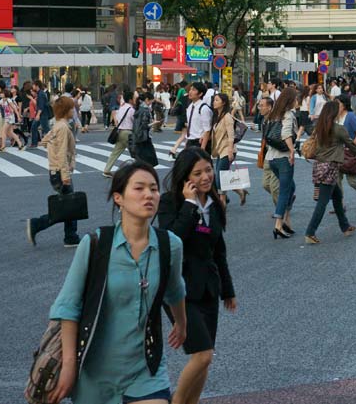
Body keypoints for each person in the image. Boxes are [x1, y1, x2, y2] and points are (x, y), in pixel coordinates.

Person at [47, 162, 187, 404]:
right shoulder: (96, 245)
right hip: (94, 371)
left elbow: (175, 290)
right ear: (118, 198)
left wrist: (182, 324)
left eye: (154, 189)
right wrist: (69, 365)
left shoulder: (170, 245)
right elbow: (68, 307)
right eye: (139, 188)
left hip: (145, 369)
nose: (149, 195)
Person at [158, 149, 236, 404]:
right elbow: (172, 240)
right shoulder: (170, 202)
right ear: (185, 177)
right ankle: (177, 401)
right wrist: (190, 205)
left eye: (208, 170)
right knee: (203, 355)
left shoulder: (215, 204)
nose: (206, 176)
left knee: (205, 358)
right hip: (178, 289)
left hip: (208, 288)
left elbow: (218, 250)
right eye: (198, 173)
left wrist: (228, 290)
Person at [26, 96, 80, 247]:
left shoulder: (57, 126)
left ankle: (71, 237)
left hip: (55, 171)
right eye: (72, 108)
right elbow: (62, 152)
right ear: (66, 111)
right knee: (67, 207)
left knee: (68, 205)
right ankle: (37, 224)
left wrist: (51, 147)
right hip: (60, 172)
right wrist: (65, 175)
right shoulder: (62, 128)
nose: (73, 111)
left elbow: (44, 141)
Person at [303, 103, 356, 244]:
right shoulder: (338, 129)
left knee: (337, 196)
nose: (339, 112)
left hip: (319, 166)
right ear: (333, 113)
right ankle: (310, 232)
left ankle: (345, 226)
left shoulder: (319, 128)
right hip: (330, 167)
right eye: (338, 110)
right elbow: (350, 144)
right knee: (323, 201)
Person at [264, 87, 298, 238]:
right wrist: (291, 151)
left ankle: (286, 221)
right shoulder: (288, 114)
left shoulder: (273, 114)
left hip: (272, 158)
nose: (297, 101)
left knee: (291, 188)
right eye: (296, 99)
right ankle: (278, 224)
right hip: (284, 157)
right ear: (290, 100)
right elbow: (285, 134)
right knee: (285, 191)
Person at [209, 93, 246, 207]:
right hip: (220, 150)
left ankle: (222, 202)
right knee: (222, 176)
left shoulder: (227, 117)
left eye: (217, 100)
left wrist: (230, 151)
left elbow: (231, 136)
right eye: (214, 100)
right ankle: (240, 191)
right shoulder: (217, 116)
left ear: (223, 103)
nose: (214, 102)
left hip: (227, 150)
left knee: (221, 177)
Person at [102, 90, 136, 177]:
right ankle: (140, 170)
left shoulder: (122, 107)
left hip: (120, 132)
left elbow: (116, 119)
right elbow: (134, 122)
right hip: (128, 132)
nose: (135, 99)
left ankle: (106, 170)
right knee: (136, 152)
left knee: (115, 152)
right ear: (131, 99)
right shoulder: (131, 109)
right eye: (134, 98)